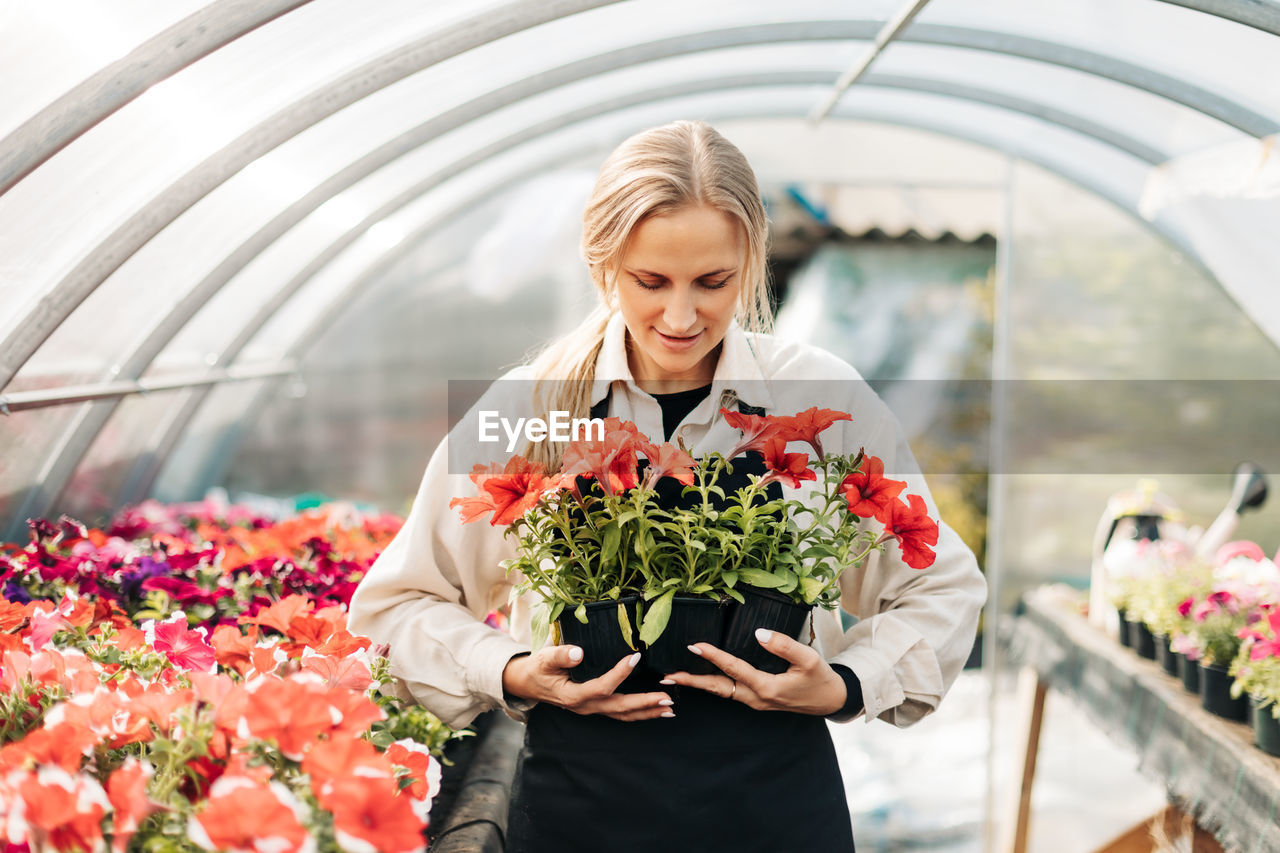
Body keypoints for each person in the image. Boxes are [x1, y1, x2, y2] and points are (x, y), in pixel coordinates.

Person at [347, 119, 987, 852]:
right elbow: (397, 607)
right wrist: (517, 669)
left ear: (749, 263)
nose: (681, 316)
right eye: (650, 281)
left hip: (776, 814)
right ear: (603, 264)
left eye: (712, 282)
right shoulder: (532, 409)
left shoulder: (819, 398)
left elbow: (942, 588)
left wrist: (844, 682)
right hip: (581, 817)